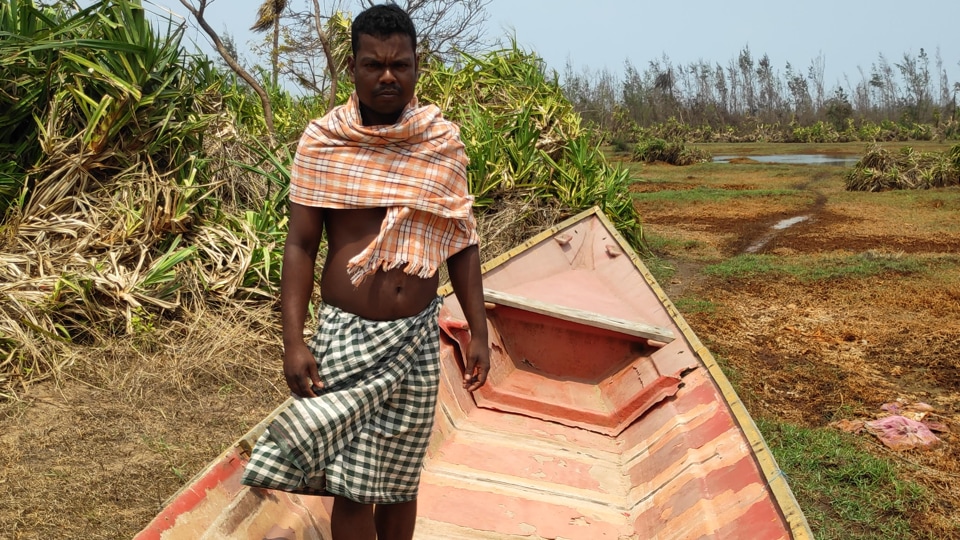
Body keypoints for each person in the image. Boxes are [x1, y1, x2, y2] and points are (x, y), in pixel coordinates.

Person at [241, 4, 489, 540]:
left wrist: (479, 330)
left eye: (400, 64)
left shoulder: (439, 143)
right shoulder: (323, 143)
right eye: (373, 64)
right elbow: (301, 247)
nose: (387, 76)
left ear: (417, 66)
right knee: (351, 487)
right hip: (345, 337)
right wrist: (293, 341)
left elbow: (461, 241)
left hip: (417, 337)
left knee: (400, 484)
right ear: (352, 68)